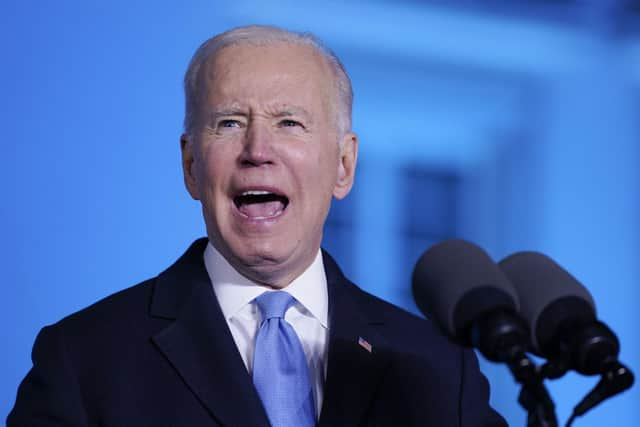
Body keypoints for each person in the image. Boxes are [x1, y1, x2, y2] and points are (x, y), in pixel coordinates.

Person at [8, 25, 507, 426]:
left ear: (344, 165)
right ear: (190, 166)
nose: (257, 151)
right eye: (228, 123)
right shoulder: (84, 358)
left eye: (289, 122)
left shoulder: (438, 369)